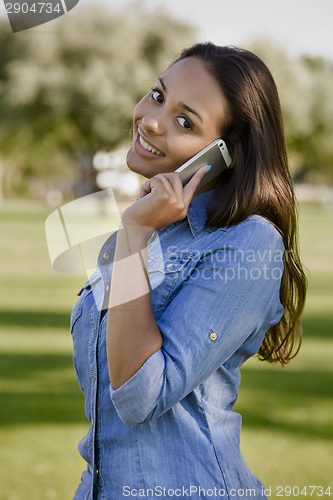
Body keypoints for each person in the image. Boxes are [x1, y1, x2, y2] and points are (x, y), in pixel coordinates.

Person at [71, 42, 307, 500]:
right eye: (158, 96)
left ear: (223, 154)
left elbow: (139, 396)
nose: (152, 120)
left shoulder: (249, 242)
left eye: (185, 121)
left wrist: (134, 234)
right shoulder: (152, 228)